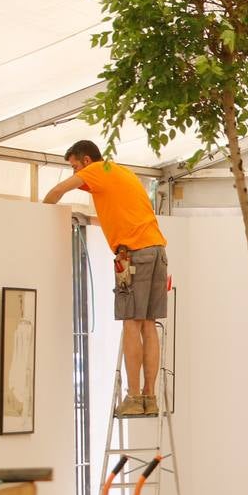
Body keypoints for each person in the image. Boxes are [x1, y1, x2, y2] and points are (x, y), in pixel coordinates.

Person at [44, 140, 168, 417]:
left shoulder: (96, 170)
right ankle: (150, 396)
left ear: (86, 161)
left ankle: (133, 397)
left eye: (75, 166)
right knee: (149, 324)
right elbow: (120, 216)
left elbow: (58, 190)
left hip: (134, 256)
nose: (74, 173)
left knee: (131, 324)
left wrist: (40, 215)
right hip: (157, 251)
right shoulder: (121, 172)